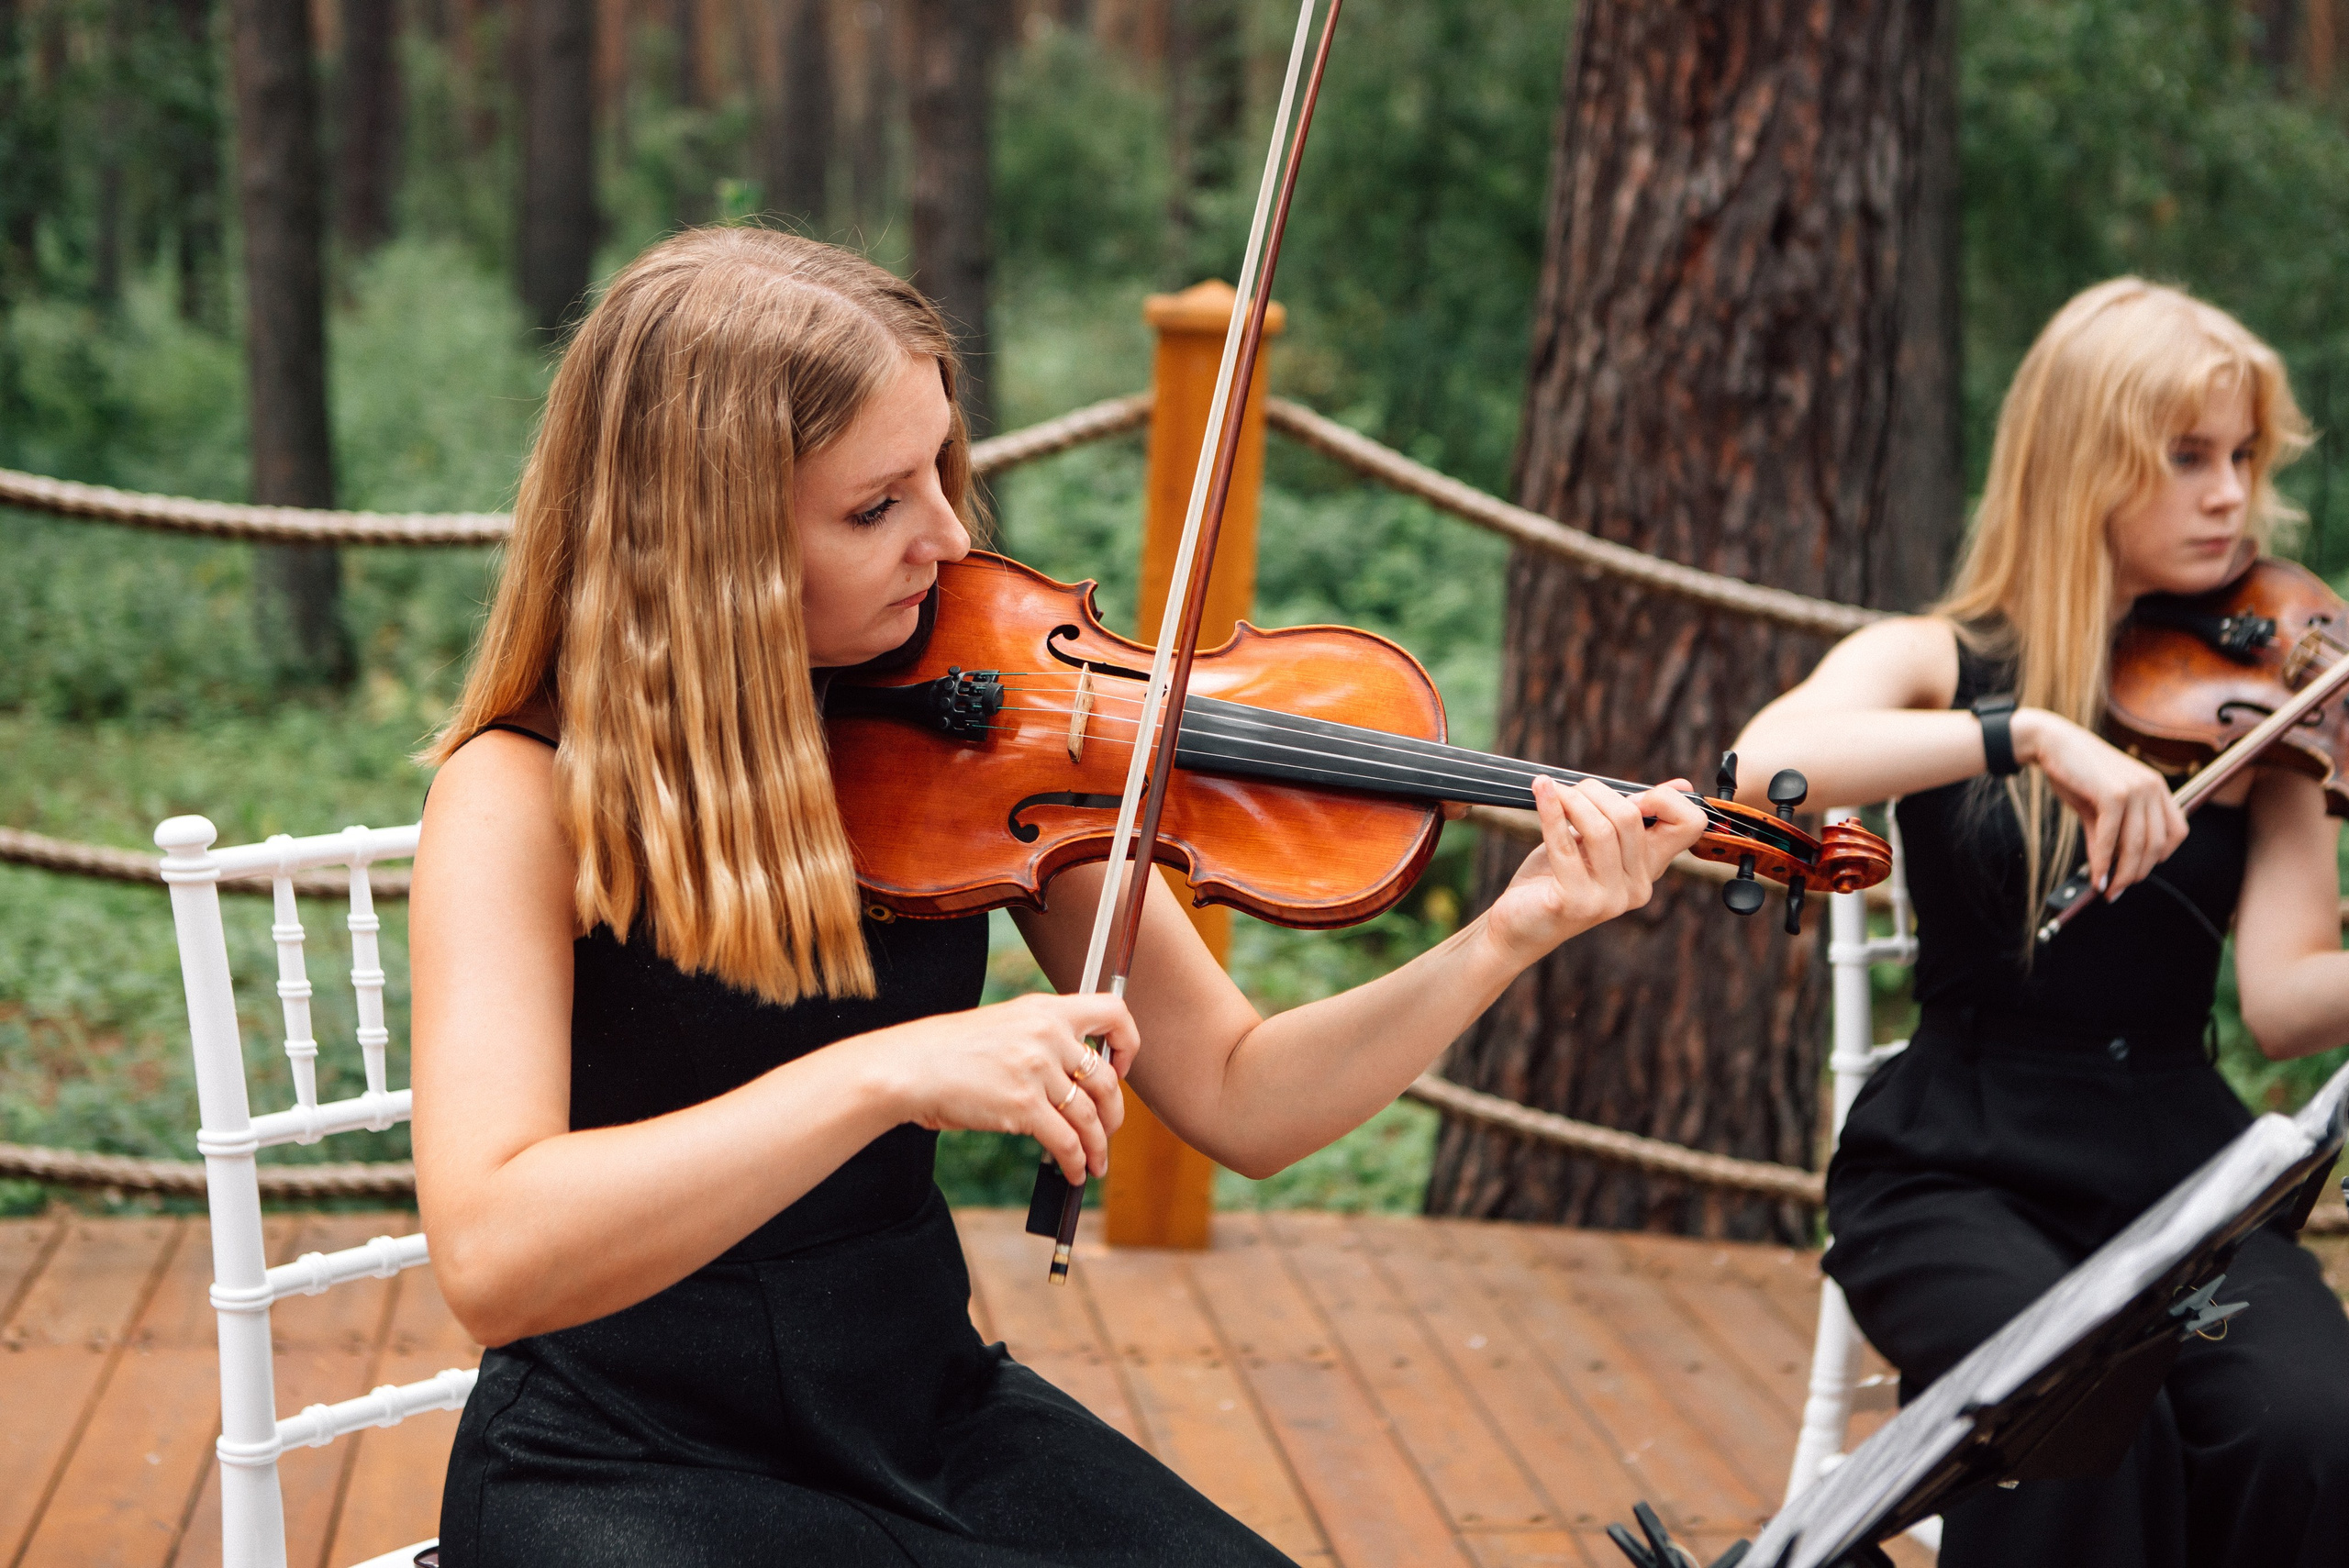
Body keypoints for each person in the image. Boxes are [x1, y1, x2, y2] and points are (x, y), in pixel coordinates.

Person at [407, 225, 1707, 1567]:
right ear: (708, 543)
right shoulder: (520, 797)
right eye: (877, 507)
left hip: (927, 1416)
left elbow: (1246, 1094)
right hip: (626, 1466)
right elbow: (495, 1255)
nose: (951, 536)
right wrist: (886, 1072)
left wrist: (1513, 928)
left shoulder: (983, 727)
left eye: (942, 472)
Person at [1731, 276, 2349, 1567]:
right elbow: (1764, 764)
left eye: (2242, 456)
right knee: (2076, 1420)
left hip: (2184, 1193)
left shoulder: (2268, 704)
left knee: (2309, 1420)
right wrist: (2027, 733)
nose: (2232, 493)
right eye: (2188, 458)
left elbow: (2288, 999)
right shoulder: (1936, 659)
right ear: (2085, 459)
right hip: (1961, 1170)